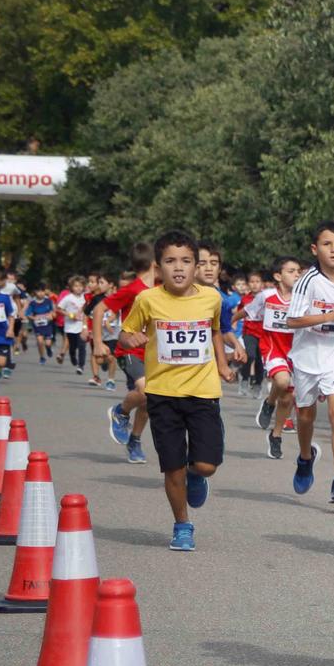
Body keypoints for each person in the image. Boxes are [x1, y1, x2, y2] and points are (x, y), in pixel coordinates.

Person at [117, 230, 235, 552]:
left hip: (202, 392)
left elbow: (214, 333)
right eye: (170, 261)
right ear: (158, 267)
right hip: (162, 395)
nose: (178, 268)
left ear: (196, 266)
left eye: (186, 261)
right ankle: (182, 524)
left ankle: (198, 476)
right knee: (172, 467)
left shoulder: (212, 298)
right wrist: (133, 340)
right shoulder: (147, 300)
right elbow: (124, 336)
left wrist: (223, 365)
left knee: (207, 464)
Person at [286, 223, 334, 504]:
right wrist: (329, 316)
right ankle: (305, 457)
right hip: (306, 358)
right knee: (306, 416)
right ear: (315, 250)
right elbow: (292, 320)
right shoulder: (308, 281)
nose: (333, 249)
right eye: (327, 244)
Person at [104, 242, 157, 464]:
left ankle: (135, 440)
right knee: (146, 391)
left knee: (150, 400)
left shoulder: (164, 290)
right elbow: (100, 310)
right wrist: (98, 342)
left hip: (152, 353)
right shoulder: (133, 289)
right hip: (129, 350)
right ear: (156, 264)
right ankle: (120, 411)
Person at [246, 256, 300, 458]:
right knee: (282, 380)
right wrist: (230, 324)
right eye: (291, 271)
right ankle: (269, 403)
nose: (296, 274)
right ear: (278, 275)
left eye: (298, 271)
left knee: (288, 399)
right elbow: (249, 312)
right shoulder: (266, 296)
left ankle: (275, 436)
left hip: (295, 352)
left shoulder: (302, 298)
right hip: (272, 348)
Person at [58, 278, 88, 375]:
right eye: (76, 286)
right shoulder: (68, 298)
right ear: (71, 287)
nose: (78, 288)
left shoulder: (85, 297)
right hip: (70, 327)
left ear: (83, 287)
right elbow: (59, 309)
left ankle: (81, 366)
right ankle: (72, 356)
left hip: (82, 326)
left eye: (80, 286)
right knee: (73, 346)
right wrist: (70, 315)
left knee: (82, 346)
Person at [25, 288, 56, 362]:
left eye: (42, 291)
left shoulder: (48, 301)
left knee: (48, 343)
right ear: (35, 292)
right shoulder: (32, 303)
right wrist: (34, 318)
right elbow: (28, 314)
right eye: (38, 291)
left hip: (47, 325)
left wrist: (51, 315)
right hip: (37, 326)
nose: (41, 293)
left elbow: (53, 311)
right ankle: (42, 357)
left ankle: (48, 349)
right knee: (40, 341)